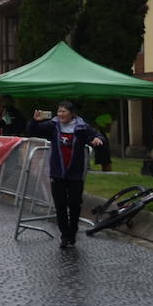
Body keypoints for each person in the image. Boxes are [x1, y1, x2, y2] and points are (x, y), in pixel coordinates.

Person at [28, 102, 105, 248]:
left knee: (75, 204)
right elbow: (32, 131)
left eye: (64, 112)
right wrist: (34, 121)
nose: (60, 114)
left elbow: (98, 136)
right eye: (59, 111)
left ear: (72, 114)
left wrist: (97, 139)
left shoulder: (82, 127)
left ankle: (73, 232)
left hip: (75, 174)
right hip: (58, 173)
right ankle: (64, 235)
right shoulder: (52, 126)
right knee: (60, 205)